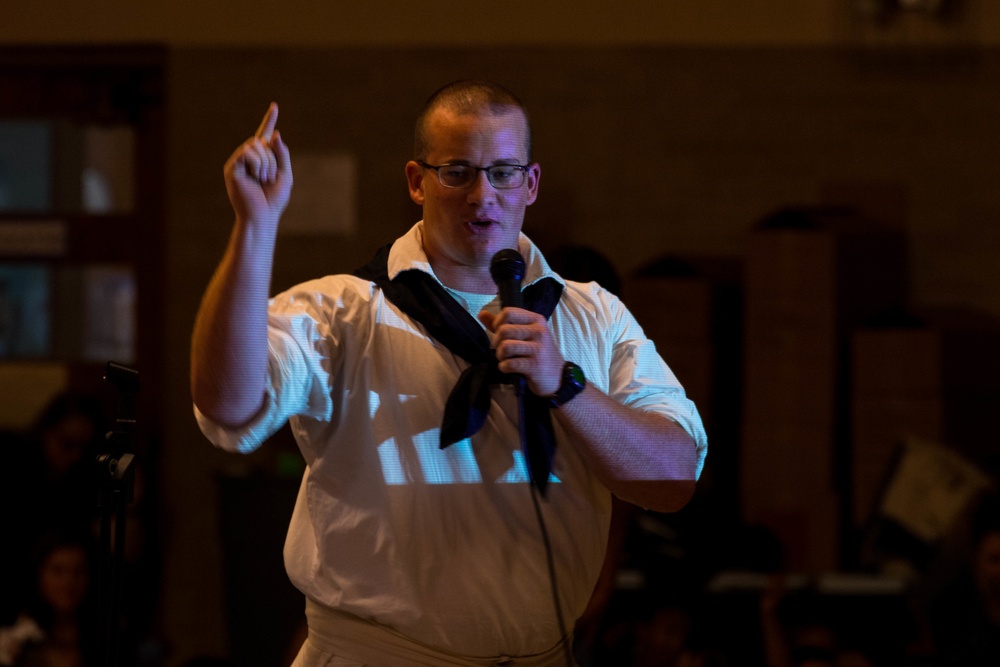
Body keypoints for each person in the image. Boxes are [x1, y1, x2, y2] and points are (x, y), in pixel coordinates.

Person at [191, 80, 707, 666]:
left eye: (503, 172)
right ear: (417, 181)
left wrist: (565, 384)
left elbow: (673, 479)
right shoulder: (342, 311)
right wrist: (254, 229)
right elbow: (225, 405)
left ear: (530, 183)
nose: (481, 195)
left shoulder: (594, 315)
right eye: (456, 171)